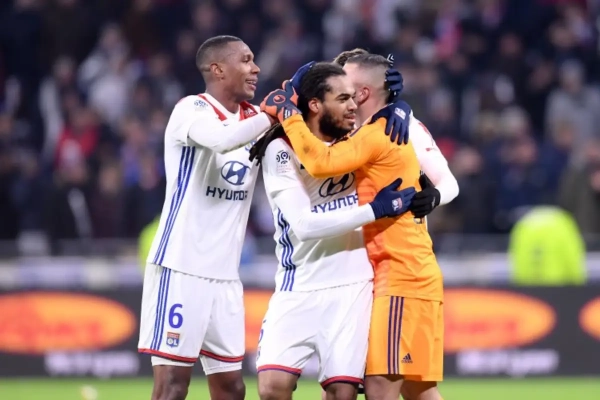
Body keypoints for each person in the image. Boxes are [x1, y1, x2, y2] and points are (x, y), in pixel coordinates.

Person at [262, 54, 450, 400]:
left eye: (352, 94)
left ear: (363, 94)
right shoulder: (361, 131)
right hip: (378, 275)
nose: (349, 102)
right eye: (342, 95)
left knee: (378, 388)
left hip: (396, 274)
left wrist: (401, 109)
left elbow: (320, 161)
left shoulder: (381, 131)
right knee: (417, 388)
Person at [137, 35, 276, 400]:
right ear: (218, 69)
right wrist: (272, 115)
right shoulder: (191, 110)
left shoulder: (256, 119)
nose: (256, 68)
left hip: (226, 276)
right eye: (245, 60)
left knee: (232, 387)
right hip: (181, 268)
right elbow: (221, 140)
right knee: (172, 385)